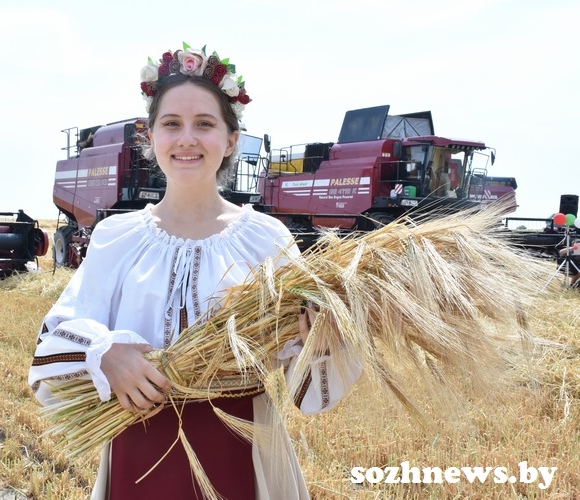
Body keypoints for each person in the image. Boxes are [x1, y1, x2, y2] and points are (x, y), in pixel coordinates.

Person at [28, 43, 361, 499]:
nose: (187, 138)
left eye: (204, 124)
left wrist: (322, 336)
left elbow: (305, 384)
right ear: (150, 137)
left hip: (239, 448)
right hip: (138, 449)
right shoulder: (117, 237)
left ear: (230, 141)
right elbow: (53, 339)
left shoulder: (267, 239)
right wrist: (104, 353)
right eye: (171, 124)